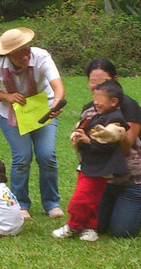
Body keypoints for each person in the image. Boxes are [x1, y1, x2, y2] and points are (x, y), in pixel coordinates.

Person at [0, 28, 66, 219]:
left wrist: (56, 102)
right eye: (20, 54)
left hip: (43, 111)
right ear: (8, 54)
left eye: (27, 50)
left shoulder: (41, 57)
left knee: (47, 155)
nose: (26, 56)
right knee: (22, 157)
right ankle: (20, 204)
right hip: (10, 113)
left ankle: (52, 203)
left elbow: (57, 84)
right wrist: (8, 96)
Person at [82, 59, 141, 238]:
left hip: (135, 180)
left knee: (121, 232)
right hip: (104, 181)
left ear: (115, 80)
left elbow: (125, 147)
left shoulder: (128, 106)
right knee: (95, 225)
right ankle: (119, 206)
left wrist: (113, 133)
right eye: (92, 81)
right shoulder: (88, 110)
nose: (97, 86)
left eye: (103, 81)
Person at [53, 80, 128, 242]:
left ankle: (73, 226)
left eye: (100, 100)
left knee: (80, 200)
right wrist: (80, 133)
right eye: (95, 99)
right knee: (91, 200)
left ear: (113, 101)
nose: (96, 103)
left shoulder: (115, 119)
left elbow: (110, 140)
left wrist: (88, 140)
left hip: (99, 169)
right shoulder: (98, 115)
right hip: (88, 165)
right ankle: (90, 228)